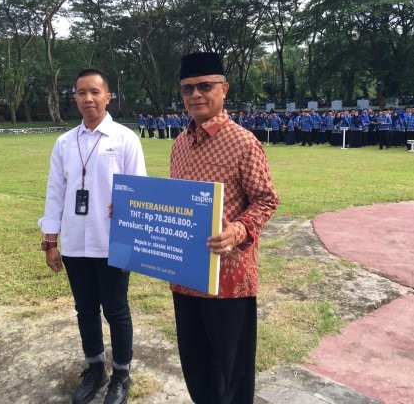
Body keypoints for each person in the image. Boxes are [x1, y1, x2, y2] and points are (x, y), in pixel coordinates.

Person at [170, 52, 279, 404]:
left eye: (205, 86)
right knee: (197, 364)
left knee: (233, 370)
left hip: (229, 277)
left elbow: (266, 200)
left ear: (224, 89)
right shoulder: (180, 143)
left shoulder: (244, 142)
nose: (196, 95)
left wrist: (238, 231)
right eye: (188, 88)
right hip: (186, 273)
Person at [38, 68, 147, 404]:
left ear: (108, 96)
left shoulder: (125, 138)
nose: (88, 98)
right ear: (75, 98)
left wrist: (128, 220)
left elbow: (138, 190)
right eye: (81, 92)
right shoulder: (65, 142)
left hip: (111, 241)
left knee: (116, 308)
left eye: (95, 92)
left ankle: (121, 374)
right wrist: (51, 241)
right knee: (84, 308)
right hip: (74, 242)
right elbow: (55, 192)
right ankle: (95, 367)